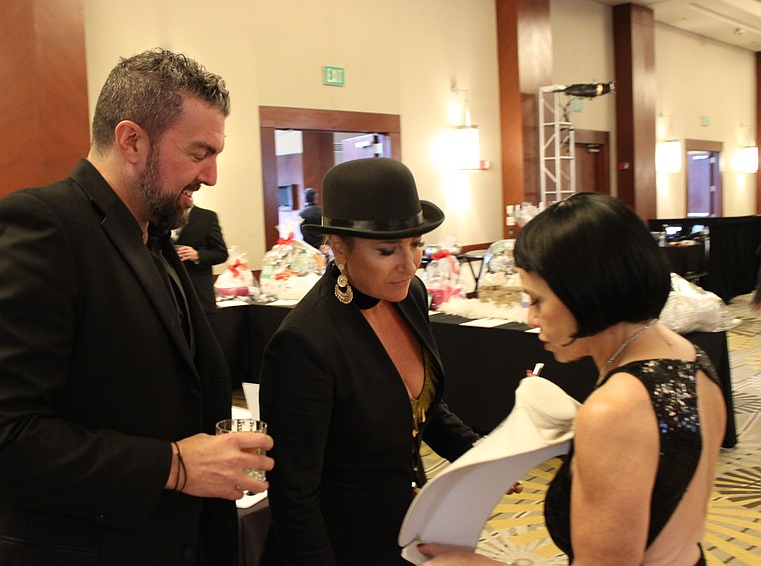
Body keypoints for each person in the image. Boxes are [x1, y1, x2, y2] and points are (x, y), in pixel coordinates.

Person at [0, 48, 273, 566]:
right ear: (131, 140)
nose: (211, 176)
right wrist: (174, 465)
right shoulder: (39, 227)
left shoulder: (153, 238)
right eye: (199, 152)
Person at [418, 193, 726, 566]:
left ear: (586, 293)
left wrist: (475, 564)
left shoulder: (618, 406)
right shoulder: (690, 356)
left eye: (537, 301)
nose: (531, 319)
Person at [259, 158, 481, 566]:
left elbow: (418, 404)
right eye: (387, 250)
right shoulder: (304, 342)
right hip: (340, 543)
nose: (409, 264)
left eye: (416, 244)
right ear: (338, 247)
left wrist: (478, 454)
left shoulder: (409, 295)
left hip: (403, 525)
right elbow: (294, 495)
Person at [175, 203, 228, 314]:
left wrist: (197, 255)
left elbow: (221, 253)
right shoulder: (160, 217)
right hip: (171, 292)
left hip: (199, 293)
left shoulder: (207, 217)